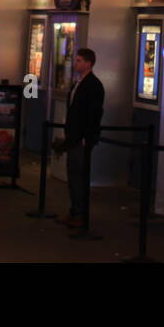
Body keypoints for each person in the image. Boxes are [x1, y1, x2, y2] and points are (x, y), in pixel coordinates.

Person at [60, 48, 104, 230]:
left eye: (79, 60)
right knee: (73, 174)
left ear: (88, 63)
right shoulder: (78, 83)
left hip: (81, 138)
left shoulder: (93, 85)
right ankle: (75, 210)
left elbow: (94, 113)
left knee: (78, 174)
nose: (75, 63)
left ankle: (80, 213)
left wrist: (88, 136)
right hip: (74, 136)